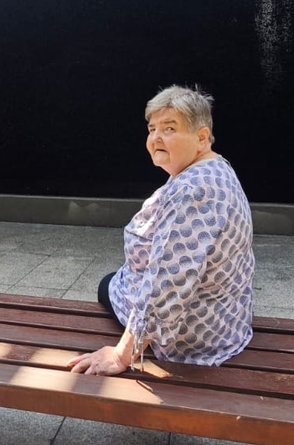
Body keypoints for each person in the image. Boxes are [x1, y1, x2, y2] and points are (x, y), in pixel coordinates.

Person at [67, 85, 255, 376]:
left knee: (106, 285)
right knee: (113, 280)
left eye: (169, 128)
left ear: (201, 137)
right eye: (152, 129)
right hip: (226, 320)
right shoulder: (216, 168)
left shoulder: (193, 191)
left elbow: (166, 284)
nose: (156, 138)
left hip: (194, 336)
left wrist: (121, 355)